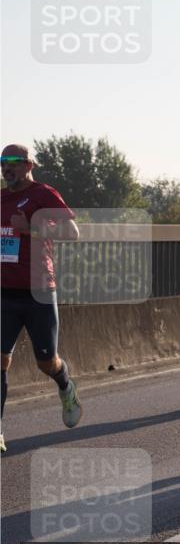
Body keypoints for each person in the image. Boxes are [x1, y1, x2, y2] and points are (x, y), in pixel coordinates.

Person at [1, 144, 83, 452]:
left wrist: (30, 229)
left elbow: (72, 233)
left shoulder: (44, 194)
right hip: (4, 293)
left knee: (46, 362)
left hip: (38, 290)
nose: (6, 168)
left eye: (12, 162)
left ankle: (65, 385)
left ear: (28, 165)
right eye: (2, 163)